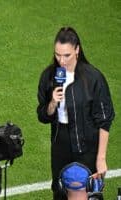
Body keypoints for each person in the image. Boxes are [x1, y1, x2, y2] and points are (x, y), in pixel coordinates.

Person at [37, 27, 115, 200]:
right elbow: (42, 115)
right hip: (60, 144)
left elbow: (104, 119)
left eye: (67, 55)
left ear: (77, 50)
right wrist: (52, 103)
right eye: (58, 55)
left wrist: (101, 158)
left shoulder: (93, 78)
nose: (61, 60)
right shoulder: (49, 76)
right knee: (60, 192)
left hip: (87, 145)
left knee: (87, 193)